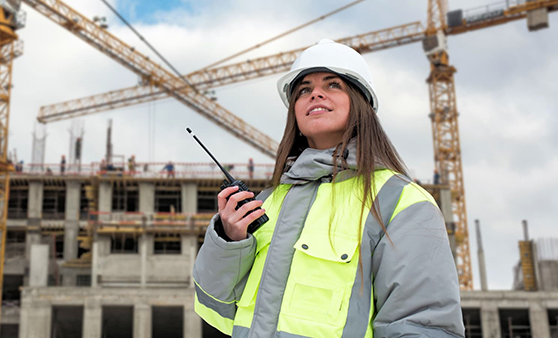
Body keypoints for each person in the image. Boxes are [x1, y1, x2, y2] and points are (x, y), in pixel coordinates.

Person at [193, 39, 464, 337]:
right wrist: (229, 242)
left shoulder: (400, 203)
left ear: (361, 103)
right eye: (304, 90)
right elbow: (217, 309)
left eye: (333, 85)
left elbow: (422, 325)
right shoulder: (267, 203)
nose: (315, 94)